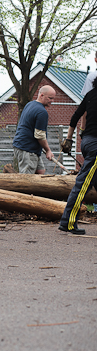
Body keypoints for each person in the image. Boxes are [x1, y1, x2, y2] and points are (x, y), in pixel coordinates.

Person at [59, 79, 97, 235]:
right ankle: (67, 222)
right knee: (82, 185)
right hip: (95, 146)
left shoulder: (90, 94)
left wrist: (69, 139)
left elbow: (75, 117)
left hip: (87, 141)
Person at [11, 86, 56, 174]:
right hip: (27, 148)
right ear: (41, 95)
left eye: (53, 98)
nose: (52, 101)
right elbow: (39, 135)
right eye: (50, 98)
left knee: (40, 171)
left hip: (23, 145)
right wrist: (48, 150)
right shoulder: (42, 112)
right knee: (27, 178)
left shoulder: (30, 104)